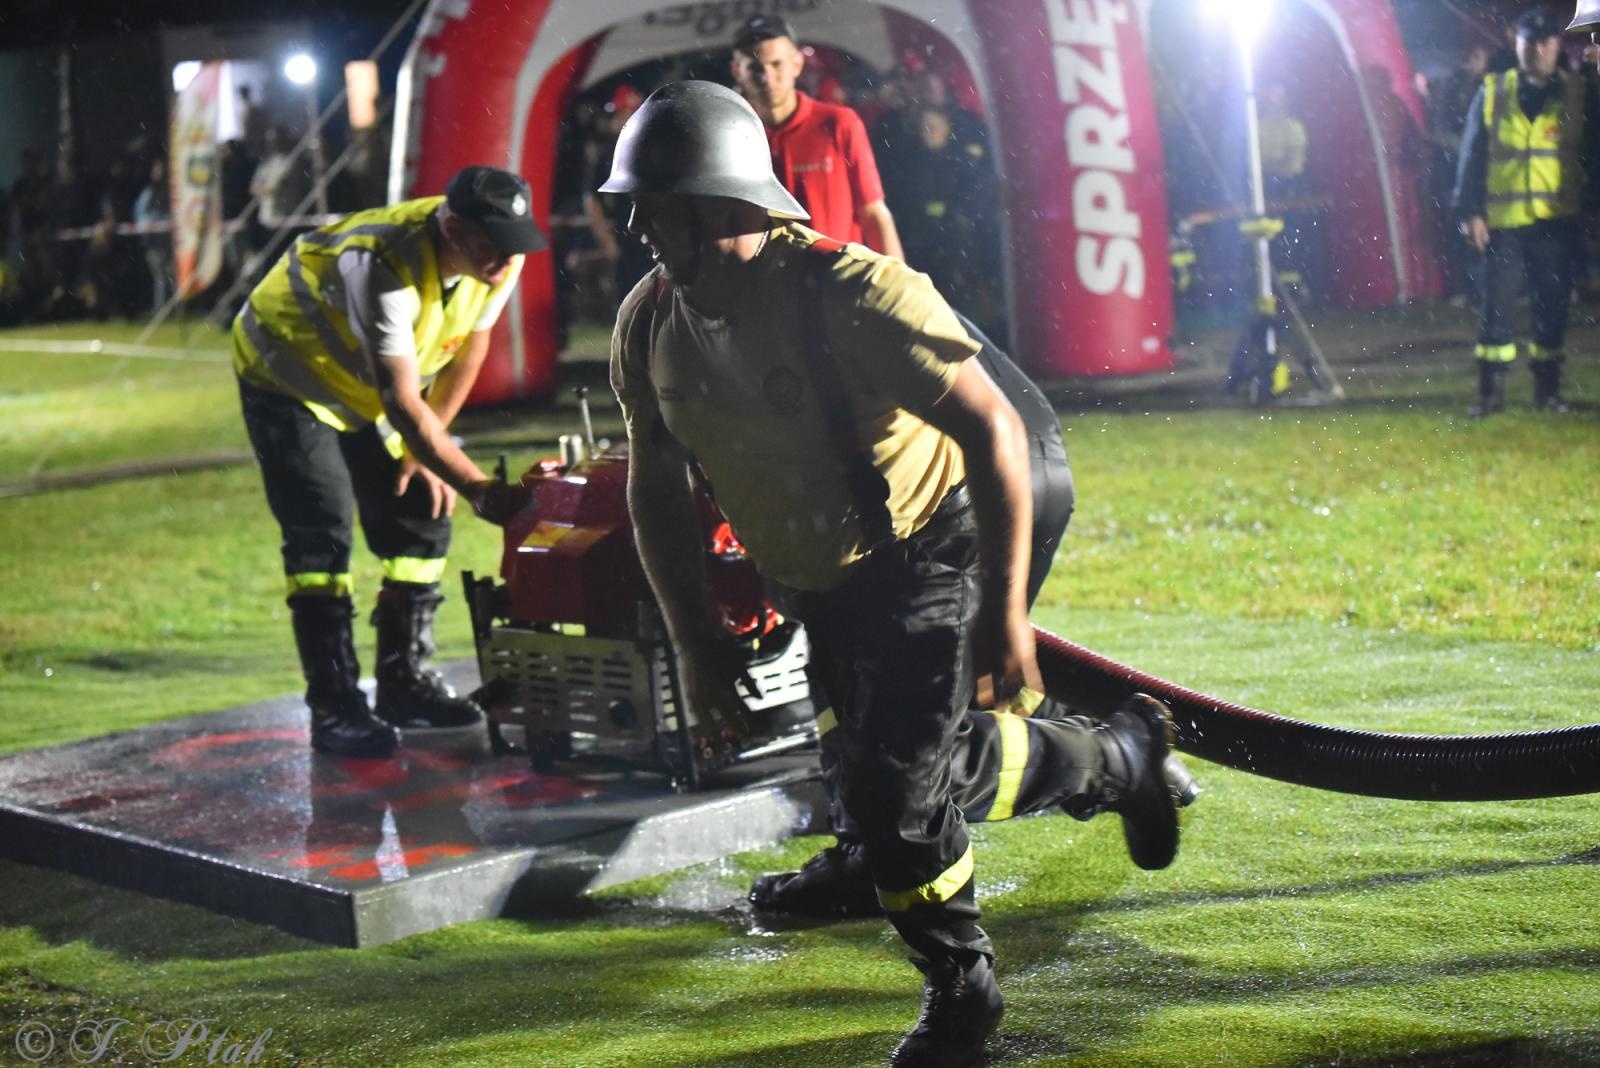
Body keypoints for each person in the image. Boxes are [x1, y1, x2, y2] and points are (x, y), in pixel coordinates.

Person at [602, 81, 1182, 1068]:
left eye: (652, 206)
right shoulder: (649, 322)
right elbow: (653, 486)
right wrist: (697, 647)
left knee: (899, 798)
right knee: (895, 769)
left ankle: (964, 994)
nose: (633, 226)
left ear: (720, 206)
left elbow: (995, 431)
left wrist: (1003, 618)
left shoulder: (853, 295)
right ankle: (1120, 758)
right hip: (817, 575)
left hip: (927, 546)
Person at [233, 165, 542, 758]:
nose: (505, 264)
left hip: (363, 385)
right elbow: (401, 399)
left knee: (419, 511)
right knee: (320, 534)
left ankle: (404, 685)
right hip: (288, 376)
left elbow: (469, 349)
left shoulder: (503, 251)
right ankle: (335, 706)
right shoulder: (384, 265)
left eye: (514, 248)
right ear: (452, 228)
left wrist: (431, 450)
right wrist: (477, 486)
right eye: (491, 248)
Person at [1453, 6, 1599, 416]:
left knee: (1552, 307)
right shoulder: (1494, 91)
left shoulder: (1578, 91)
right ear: (1517, 44)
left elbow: (1592, 152)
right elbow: (1473, 154)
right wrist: (1470, 211)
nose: (1537, 49)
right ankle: (1490, 394)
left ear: (1557, 45)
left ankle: (1548, 393)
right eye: (1529, 42)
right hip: (1505, 224)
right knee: (1495, 308)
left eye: (1546, 42)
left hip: (1556, 221)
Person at [730, 14, 904, 258]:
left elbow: (873, 213)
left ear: (797, 64)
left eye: (777, 64)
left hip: (838, 282)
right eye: (756, 67)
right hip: (770, 288)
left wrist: (898, 286)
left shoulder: (838, 123)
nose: (767, 78)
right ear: (737, 71)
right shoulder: (733, 136)